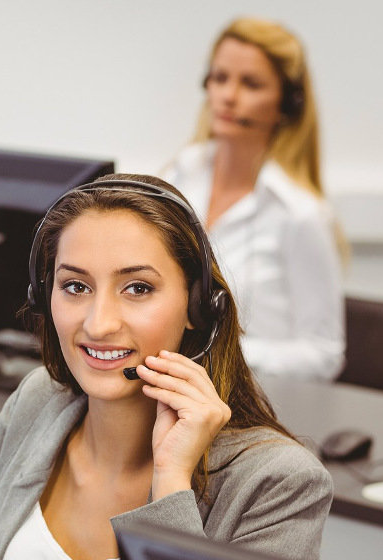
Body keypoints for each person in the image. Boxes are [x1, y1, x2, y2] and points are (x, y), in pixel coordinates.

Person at [0, 174, 332, 560]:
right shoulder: (38, 402)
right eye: (75, 285)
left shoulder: (278, 484)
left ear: (199, 306)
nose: (98, 324)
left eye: (137, 288)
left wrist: (172, 484)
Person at [163, 17, 344, 380]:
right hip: (173, 391)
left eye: (251, 84)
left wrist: (221, 348)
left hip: (254, 405)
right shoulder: (176, 177)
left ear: (287, 104)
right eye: (220, 78)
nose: (228, 95)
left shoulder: (299, 215)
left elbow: (325, 355)